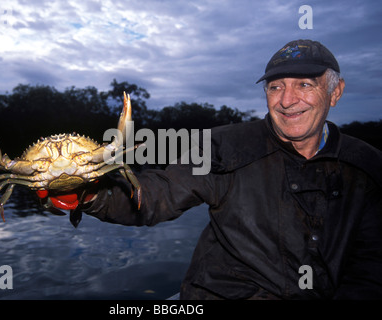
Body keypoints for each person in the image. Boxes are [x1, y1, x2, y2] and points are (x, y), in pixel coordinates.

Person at [80, 39, 382, 299]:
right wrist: (86, 193)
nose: (288, 101)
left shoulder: (367, 166)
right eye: (276, 87)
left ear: (335, 92)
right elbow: (156, 196)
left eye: (304, 84)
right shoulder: (222, 146)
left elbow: (370, 265)